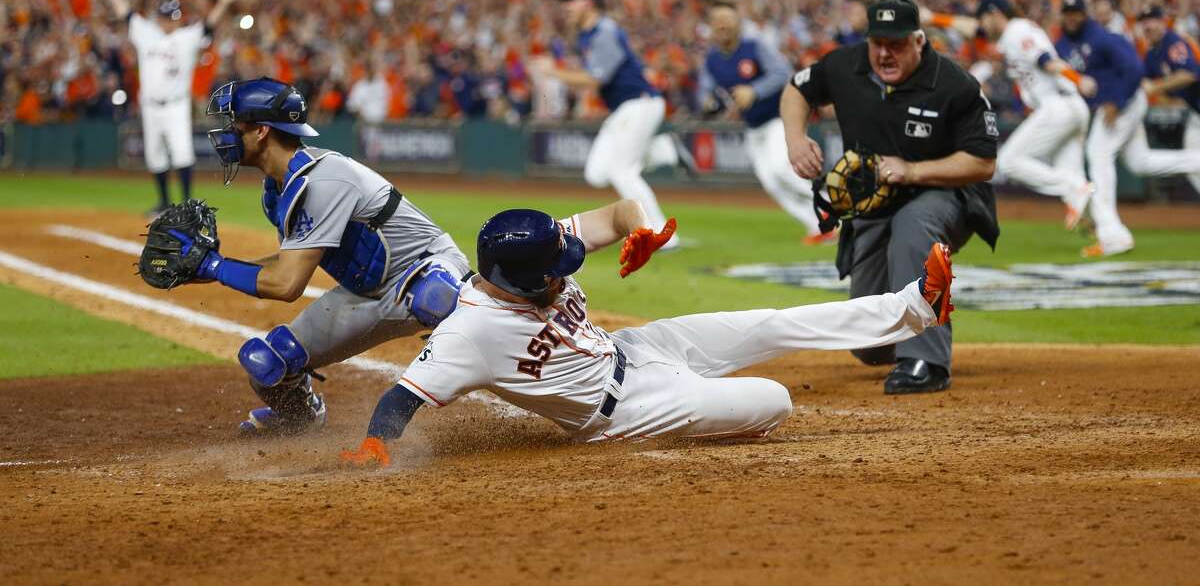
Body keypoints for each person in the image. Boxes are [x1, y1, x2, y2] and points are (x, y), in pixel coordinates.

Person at [339, 200, 955, 467]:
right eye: (556, 273)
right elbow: (401, 396)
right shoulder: (469, 334)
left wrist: (641, 229)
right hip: (627, 410)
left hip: (639, 348)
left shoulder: (534, 243)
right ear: (516, 281)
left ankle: (915, 306)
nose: (566, 272)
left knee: (771, 323)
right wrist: (374, 446)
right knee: (776, 398)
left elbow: (615, 212)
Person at [193, 77, 469, 434]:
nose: (228, 133)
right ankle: (303, 417)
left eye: (236, 125)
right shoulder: (276, 192)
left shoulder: (324, 179)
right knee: (269, 363)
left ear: (261, 131)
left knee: (437, 295)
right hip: (366, 291)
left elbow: (287, 285)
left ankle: (528, 362)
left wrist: (215, 266)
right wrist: (211, 266)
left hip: (425, 268)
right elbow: (290, 262)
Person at [781, 0, 998, 394]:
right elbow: (797, 89)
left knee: (914, 223)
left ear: (919, 41)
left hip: (947, 193)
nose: (884, 53)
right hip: (877, 201)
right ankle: (900, 343)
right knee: (869, 342)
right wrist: (796, 139)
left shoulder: (953, 83)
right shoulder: (847, 64)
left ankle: (927, 361)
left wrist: (914, 170)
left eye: (896, 44)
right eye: (877, 42)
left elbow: (983, 162)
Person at [530, 0, 685, 248]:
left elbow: (594, 79)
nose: (566, 7)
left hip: (639, 103)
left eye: (572, 0)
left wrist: (553, 71)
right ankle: (664, 150)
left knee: (622, 171)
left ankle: (660, 236)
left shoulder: (604, 32)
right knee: (597, 173)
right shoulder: (588, 34)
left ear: (588, 2)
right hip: (626, 107)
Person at [925, 0, 1094, 231]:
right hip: (1068, 107)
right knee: (1076, 186)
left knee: (1009, 162)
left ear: (995, 14)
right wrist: (934, 18)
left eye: (984, 17)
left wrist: (1078, 78)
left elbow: (1046, 61)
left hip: (1058, 106)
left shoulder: (1017, 31)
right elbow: (975, 30)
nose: (981, 24)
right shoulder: (1009, 35)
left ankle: (1074, 188)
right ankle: (1109, 234)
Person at [1056, 0, 1200, 257]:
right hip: (1125, 102)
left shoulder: (1105, 38)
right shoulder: (1065, 43)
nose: (1072, 17)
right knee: (1139, 162)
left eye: (1076, 11)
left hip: (1124, 103)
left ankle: (1112, 235)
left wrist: (1118, 100)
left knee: (1098, 155)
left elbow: (1140, 71)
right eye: (1067, 12)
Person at [98, 0, 237, 214]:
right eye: (165, 17)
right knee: (155, 155)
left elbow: (209, 25)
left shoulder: (186, 37)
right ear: (159, 18)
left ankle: (186, 203)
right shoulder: (146, 32)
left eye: (173, 18)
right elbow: (126, 14)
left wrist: (223, 3)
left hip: (175, 105)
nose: (169, 22)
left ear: (179, 19)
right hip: (150, 105)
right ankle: (163, 203)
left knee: (182, 152)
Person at [698, 0, 831, 244]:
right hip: (753, 127)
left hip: (779, 118)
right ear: (711, 27)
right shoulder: (711, 60)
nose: (722, 25)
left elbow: (783, 73)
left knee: (783, 169)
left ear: (738, 22)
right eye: (717, 21)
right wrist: (708, 103)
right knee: (771, 183)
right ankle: (818, 226)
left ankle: (835, 208)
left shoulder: (755, 46)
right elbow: (704, 92)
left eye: (727, 19)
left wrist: (754, 91)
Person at [1139, 5, 1200, 198]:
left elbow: (1188, 74)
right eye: (1145, 23)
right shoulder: (1152, 54)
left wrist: (1156, 88)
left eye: (1152, 21)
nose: (1148, 26)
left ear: (1162, 21)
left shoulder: (1173, 41)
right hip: (1195, 113)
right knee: (1191, 163)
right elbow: (1143, 80)